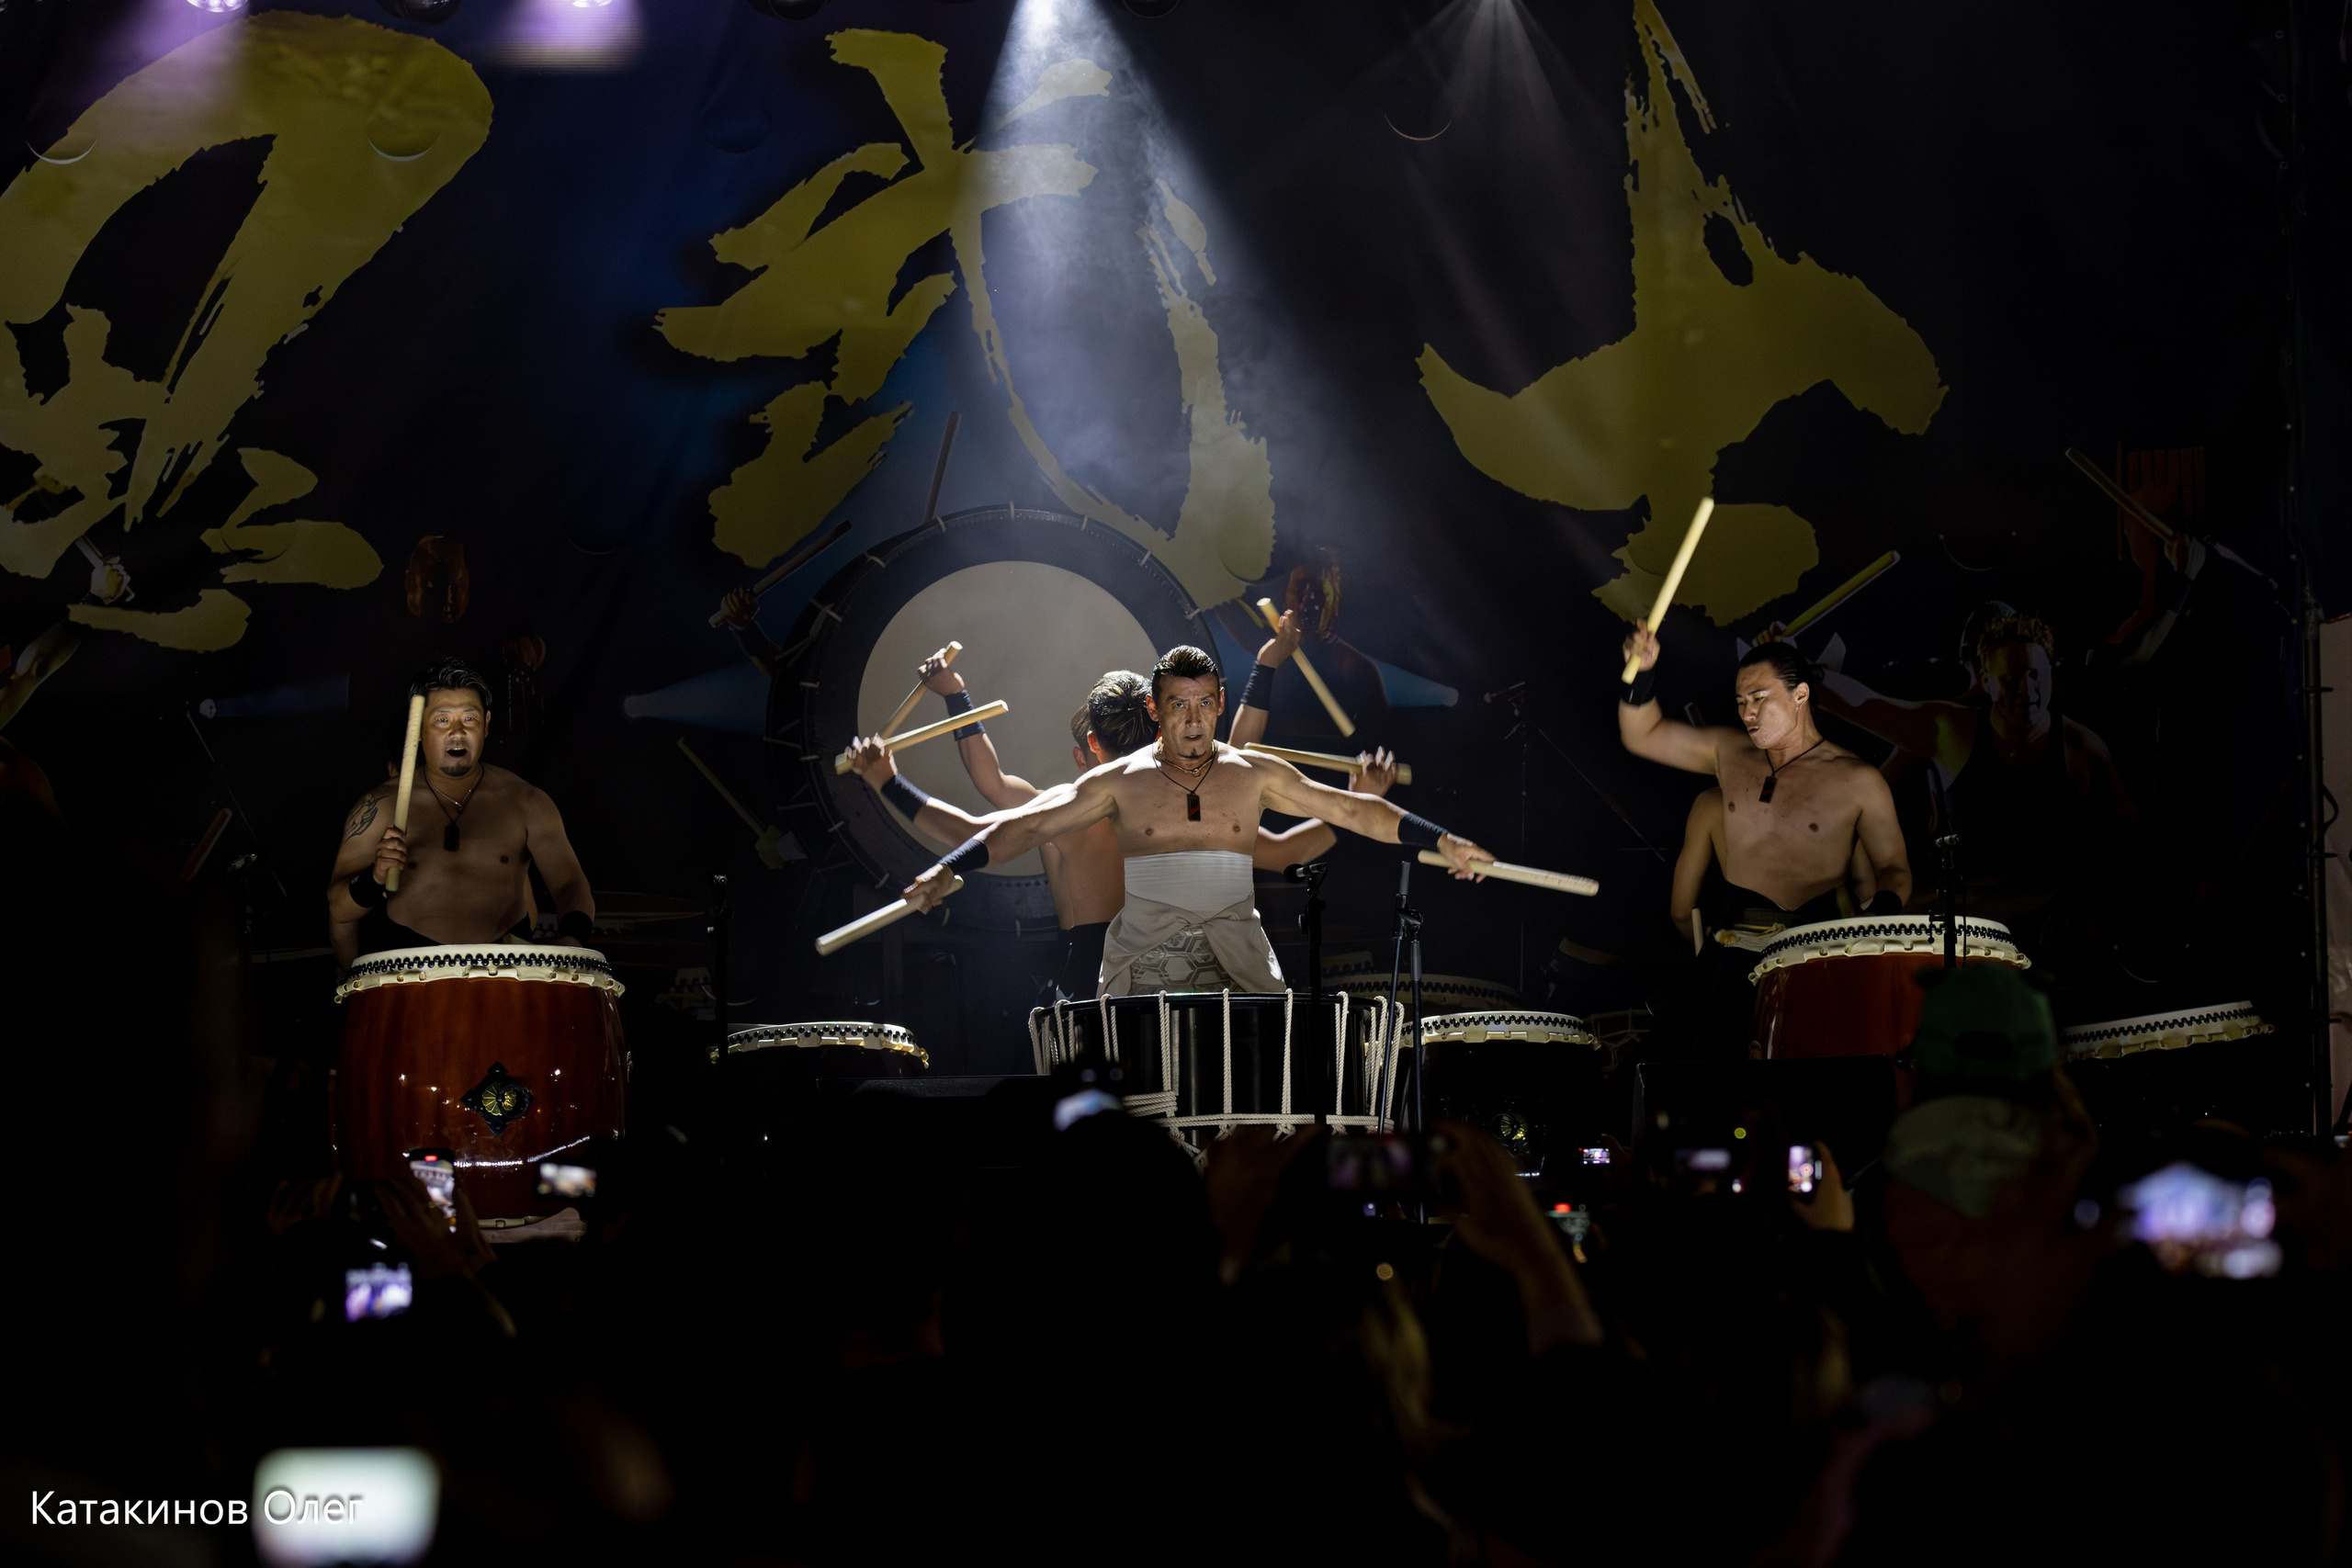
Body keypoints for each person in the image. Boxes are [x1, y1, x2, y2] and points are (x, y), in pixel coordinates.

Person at [896, 645, 1487, 996]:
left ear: (1220, 704)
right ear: (1158, 712)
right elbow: (1017, 825)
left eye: (1206, 704)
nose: (1195, 721)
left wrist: (1446, 840)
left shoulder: (1249, 773)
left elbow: (1351, 810)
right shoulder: (1112, 786)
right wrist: (949, 869)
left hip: (1239, 978)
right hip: (1138, 981)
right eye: (1180, 705)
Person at [1807, 610, 2132, 925]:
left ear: (2050, 671)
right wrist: (1804, 671)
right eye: (2010, 678)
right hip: (1967, 912)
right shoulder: (1952, 732)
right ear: (1987, 680)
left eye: (2035, 675)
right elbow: (1866, 704)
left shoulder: (2082, 748)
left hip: (2055, 923)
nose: (2026, 690)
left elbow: (2132, 837)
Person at [1621, 632, 1912, 925]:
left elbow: (1894, 870)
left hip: (1815, 935)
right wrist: (1641, 675)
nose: (1748, 714)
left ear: (1800, 695)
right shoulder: (1728, 751)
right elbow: (1642, 736)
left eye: (1759, 698)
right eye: (1741, 702)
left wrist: (1875, 919)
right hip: (1738, 935)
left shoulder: (1859, 780)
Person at [328, 658, 595, 969]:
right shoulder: (381, 804)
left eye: (469, 718)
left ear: (486, 724)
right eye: (442, 720)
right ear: (419, 728)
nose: (457, 732)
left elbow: (570, 884)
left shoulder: (526, 802)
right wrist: (374, 878)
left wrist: (572, 940)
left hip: (506, 967)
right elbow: (338, 909)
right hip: (410, 968)